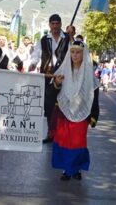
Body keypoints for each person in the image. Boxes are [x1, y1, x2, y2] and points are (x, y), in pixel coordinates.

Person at [51, 41, 99, 181]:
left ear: (84, 54)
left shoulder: (89, 73)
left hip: (82, 113)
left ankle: (77, 168)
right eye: (72, 52)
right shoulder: (63, 69)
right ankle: (67, 169)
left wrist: (94, 115)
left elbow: (94, 94)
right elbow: (51, 92)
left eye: (78, 52)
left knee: (78, 142)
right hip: (64, 111)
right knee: (64, 140)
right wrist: (56, 84)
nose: (75, 55)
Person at [28, 14, 72, 143]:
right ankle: (50, 132)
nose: (55, 26)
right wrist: (33, 63)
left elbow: (74, 51)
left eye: (57, 23)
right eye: (52, 23)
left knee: (63, 103)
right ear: (49, 25)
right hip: (47, 76)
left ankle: (62, 132)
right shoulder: (43, 39)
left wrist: (71, 36)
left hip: (63, 76)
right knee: (49, 105)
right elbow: (36, 53)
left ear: (60, 24)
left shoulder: (67, 39)